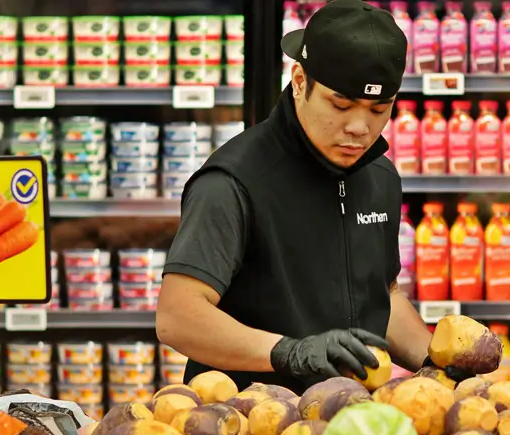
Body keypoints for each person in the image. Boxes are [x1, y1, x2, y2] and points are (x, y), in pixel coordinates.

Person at [155, 0, 460, 394]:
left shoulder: (380, 177)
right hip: (249, 419)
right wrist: (289, 352)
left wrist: (438, 370)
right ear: (299, 81)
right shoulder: (234, 181)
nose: (359, 127)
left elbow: (382, 294)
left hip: (349, 420)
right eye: (341, 104)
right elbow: (178, 317)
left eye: (378, 108)